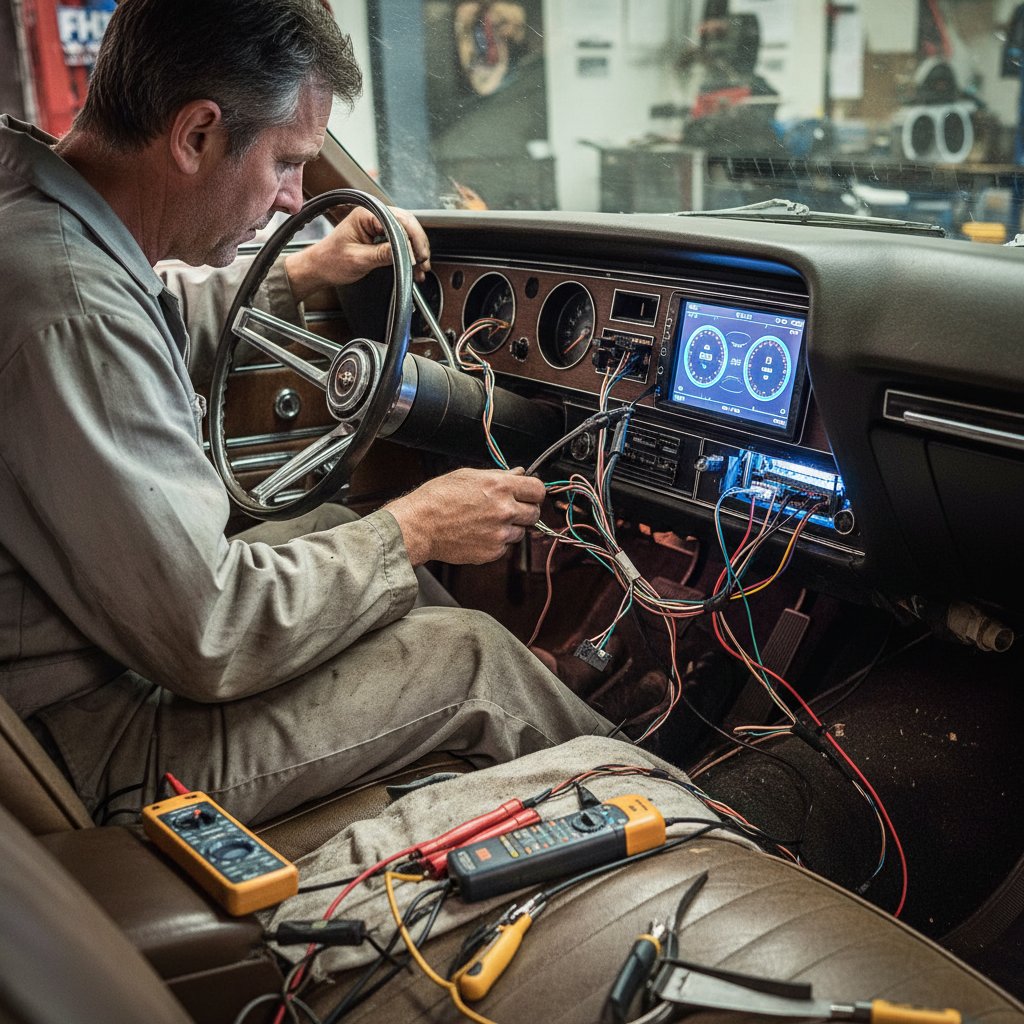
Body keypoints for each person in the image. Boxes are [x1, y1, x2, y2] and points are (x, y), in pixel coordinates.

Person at [0, 0, 610, 826]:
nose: (294, 200)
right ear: (197, 135)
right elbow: (208, 632)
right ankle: (695, 825)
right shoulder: (71, 310)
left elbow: (144, 315)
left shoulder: (39, 214)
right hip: (99, 738)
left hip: (82, 663)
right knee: (475, 665)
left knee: (321, 520)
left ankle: (556, 700)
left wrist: (303, 272)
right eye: (288, 162)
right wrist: (415, 528)